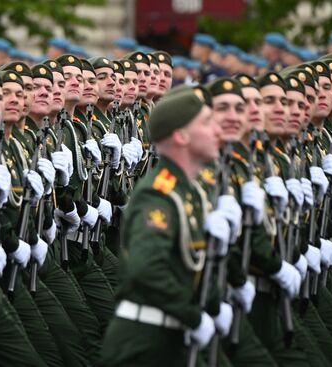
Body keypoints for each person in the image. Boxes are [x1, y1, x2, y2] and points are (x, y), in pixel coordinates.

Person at [101, 85, 228, 366]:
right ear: (181, 136)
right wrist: (194, 316)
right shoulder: (158, 194)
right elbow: (147, 270)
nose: (218, 130)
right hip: (145, 344)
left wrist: (214, 305)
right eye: (207, 123)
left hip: (172, 336)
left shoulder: (189, 191)